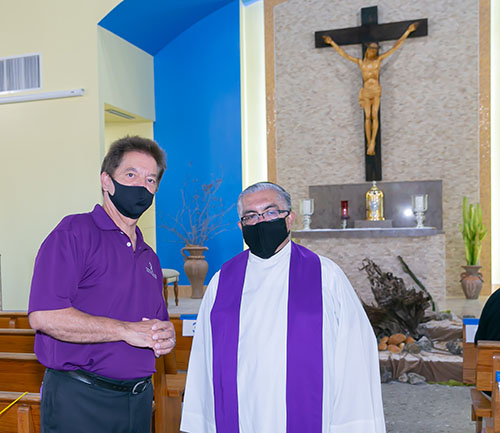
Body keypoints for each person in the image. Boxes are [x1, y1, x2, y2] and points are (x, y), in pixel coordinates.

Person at [180, 181, 385, 433]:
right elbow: (204, 356)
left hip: (310, 414)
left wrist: (352, 424)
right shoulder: (222, 281)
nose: (261, 221)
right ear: (240, 226)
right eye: (251, 216)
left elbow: (355, 353)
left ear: (289, 219)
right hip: (242, 414)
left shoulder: (325, 275)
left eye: (270, 212)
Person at [28, 136, 176, 433]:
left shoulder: (150, 257)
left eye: (150, 180)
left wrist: (166, 334)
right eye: (131, 175)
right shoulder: (74, 233)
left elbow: (154, 323)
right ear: (107, 181)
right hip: (82, 399)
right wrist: (123, 330)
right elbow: (44, 316)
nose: (141, 186)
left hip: (138, 400)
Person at [323, 22, 418, 156]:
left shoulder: (378, 61)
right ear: (368, 50)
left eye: (375, 50)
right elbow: (344, 54)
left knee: (374, 116)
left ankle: (373, 142)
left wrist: (407, 32)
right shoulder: (361, 63)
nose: (373, 52)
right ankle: (369, 143)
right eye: (371, 50)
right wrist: (332, 42)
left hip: (376, 90)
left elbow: (394, 48)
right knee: (367, 117)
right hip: (366, 91)